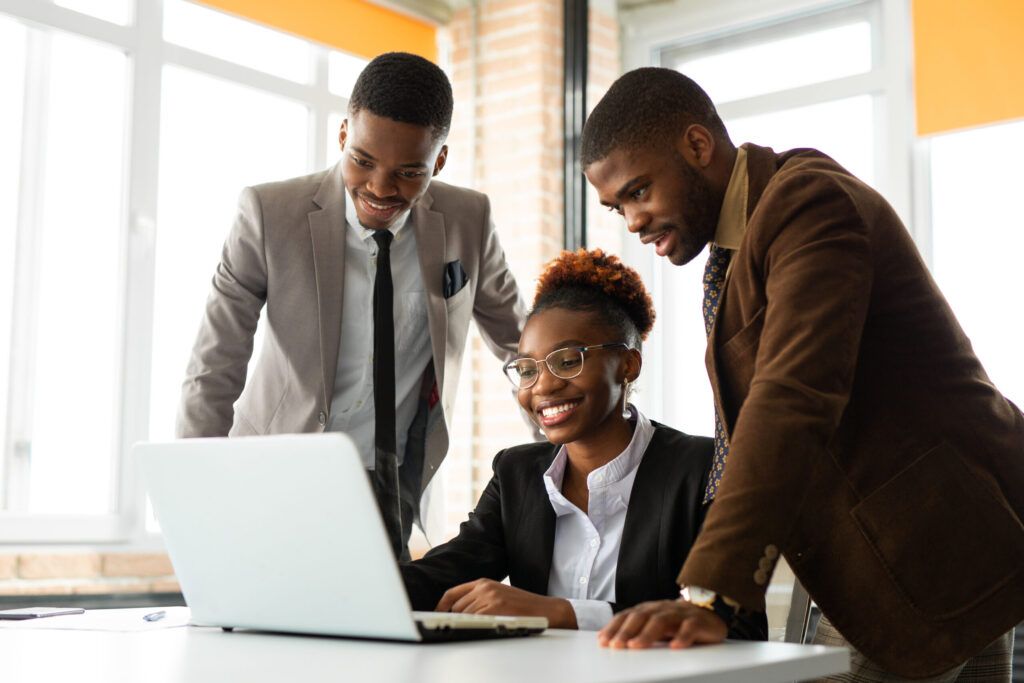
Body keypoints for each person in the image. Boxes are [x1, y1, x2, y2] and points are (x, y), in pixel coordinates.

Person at [580, 67, 1024, 680]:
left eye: (638, 191)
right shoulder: (741, 247)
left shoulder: (807, 204)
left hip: (927, 547)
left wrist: (711, 591)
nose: (631, 221)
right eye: (616, 206)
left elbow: (791, 396)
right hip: (903, 551)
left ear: (697, 145)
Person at [176, 52, 527, 560]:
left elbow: (522, 346)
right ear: (343, 136)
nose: (381, 189)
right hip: (276, 473)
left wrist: (569, 453)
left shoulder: (468, 219)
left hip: (393, 484)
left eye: (409, 172)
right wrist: (197, 494)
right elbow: (215, 363)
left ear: (440, 161)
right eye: (363, 161)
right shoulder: (269, 214)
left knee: (384, 631)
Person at [400, 249, 767, 638]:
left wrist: (560, 612)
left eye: (568, 361)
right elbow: (446, 570)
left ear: (628, 365)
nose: (542, 386)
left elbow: (736, 624)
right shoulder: (517, 474)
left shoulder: (704, 469)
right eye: (527, 369)